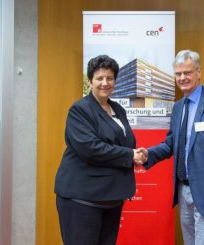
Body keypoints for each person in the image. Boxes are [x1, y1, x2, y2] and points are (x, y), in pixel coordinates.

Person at [138, 50, 204, 245]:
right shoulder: (178, 107)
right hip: (184, 192)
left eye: (187, 72)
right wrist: (148, 154)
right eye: (178, 74)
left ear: (199, 72)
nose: (182, 78)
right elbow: (171, 143)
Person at [54, 55, 145, 245]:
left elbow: (124, 142)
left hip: (111, 197)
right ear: (90, 81)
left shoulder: (117, 109)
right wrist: (129, 155)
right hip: (82, 198)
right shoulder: (80, 109)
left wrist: (136, 153)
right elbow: (90, 148)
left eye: (110, 78)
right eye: (99, 78)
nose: (105, 83)